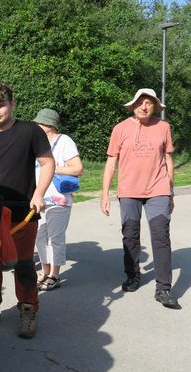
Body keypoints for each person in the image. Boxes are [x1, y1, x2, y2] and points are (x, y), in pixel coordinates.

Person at [0, 83, 54, 338]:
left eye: (1, 105)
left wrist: (39, 194)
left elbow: (48, 163)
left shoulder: (30, 132)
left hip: (22, 211)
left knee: (23, 264)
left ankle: (28, 309)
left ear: (12, 105)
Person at [101, 88, 178, 309]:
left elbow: (168, 160)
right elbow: (110, 163)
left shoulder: (163, 127)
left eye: (149, 103)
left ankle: (163, 288)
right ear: (133, 106)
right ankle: (133, 275)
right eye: (140, 103)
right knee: (130, 235)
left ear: (155, 106)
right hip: (128, 191)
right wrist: (104, 194)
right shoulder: (120, 129)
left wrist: (170, 192)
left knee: (161, 235)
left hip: (158, 189)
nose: (144, 107)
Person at [32, 109, 83, 291]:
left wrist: (52, 168)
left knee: (55, 239)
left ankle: (55, 275)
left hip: (58, 199)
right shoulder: (37, 144)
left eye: (40, 124)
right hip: (39, 199)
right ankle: (45, 271)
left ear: (49, 125)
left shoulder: (64, 141)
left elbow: (77, 168)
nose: (36, 126)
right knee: (39, 237)